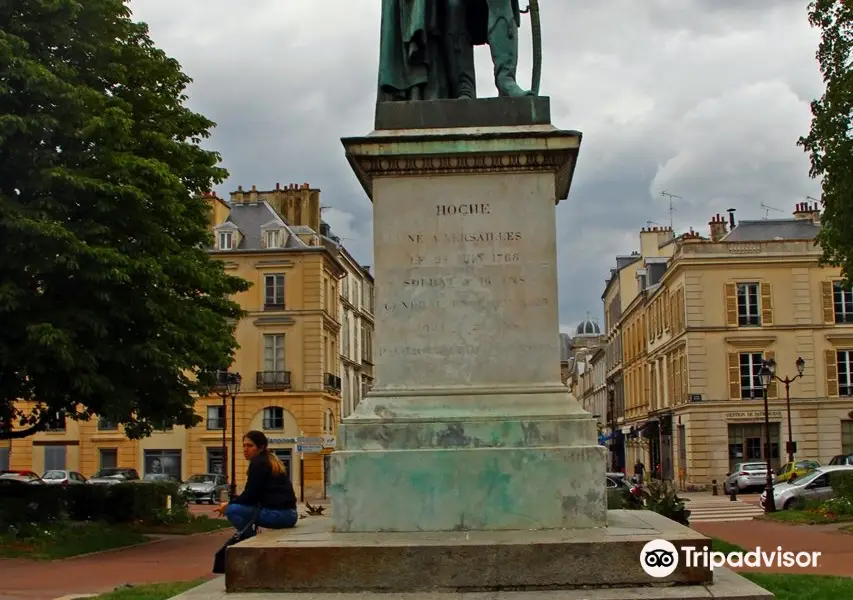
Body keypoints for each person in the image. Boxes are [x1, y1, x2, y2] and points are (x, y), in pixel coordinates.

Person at [214, 430, 298, 538]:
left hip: (280, 515)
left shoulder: (259, 463)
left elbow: (250, 496)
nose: (245, 449)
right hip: (289, 515)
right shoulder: (270, 460)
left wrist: (228, 505)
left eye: (250, 446)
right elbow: (254, 495)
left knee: (231, 510)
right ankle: (249, 536)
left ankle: (249, 539)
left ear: (261, 447)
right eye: (244, 446)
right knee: (234, 507)